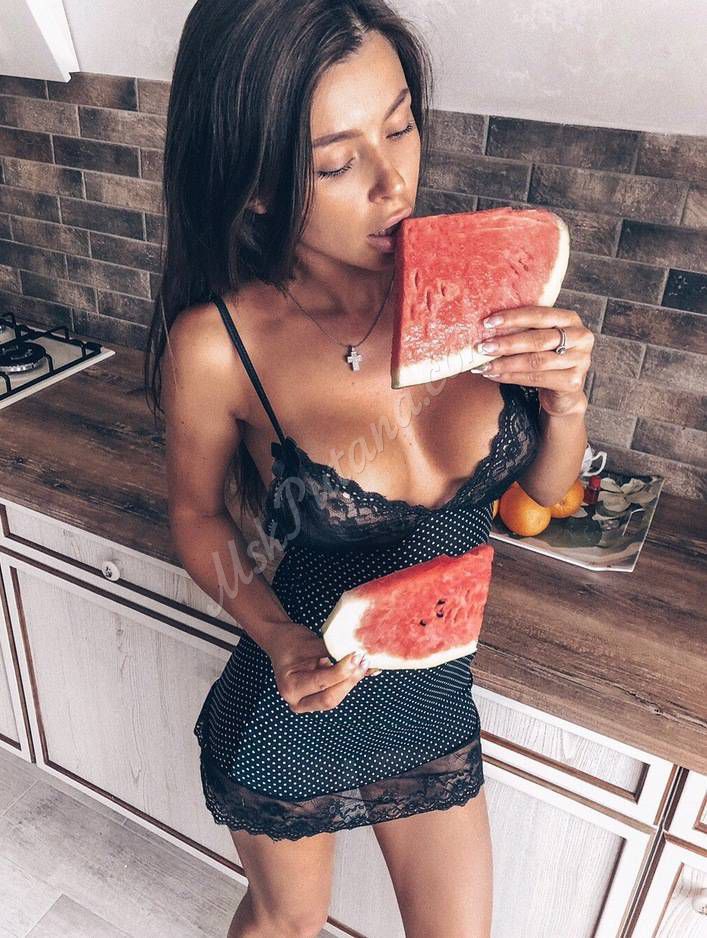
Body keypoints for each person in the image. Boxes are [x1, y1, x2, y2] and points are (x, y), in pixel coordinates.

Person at [144, 2, 593, 936]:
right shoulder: (220, 344)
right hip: (298, 698)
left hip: (432, 698)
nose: (394, 184)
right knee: (287, 924)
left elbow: (542, 494)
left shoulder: (475, 288)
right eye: (335, 163)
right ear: (257, 185)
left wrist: (566, 402)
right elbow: (197, 519)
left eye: (399, 127)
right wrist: (278, 638)